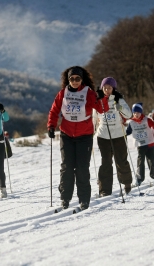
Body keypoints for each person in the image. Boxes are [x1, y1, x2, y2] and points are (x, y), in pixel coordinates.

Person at [47, 66, 109, 210]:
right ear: (68, 80)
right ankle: (65, 198)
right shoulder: (63, 93)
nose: (75, 81)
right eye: (72, 79)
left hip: (84, 136)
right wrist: (51, 126)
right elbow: (54, 110)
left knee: (81, 168)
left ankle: (84, 199)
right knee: (67, 167)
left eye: (77, 79)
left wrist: (102, 98)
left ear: (82, 79)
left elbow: (101, 109)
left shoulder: (89, 93)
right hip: (66, 134)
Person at [93, 77, 133, 197]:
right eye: (105, 87)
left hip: (118, 134)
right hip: (103, 135)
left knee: (121, 161)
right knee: (105, 162)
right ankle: (104, 190)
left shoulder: (119, 99)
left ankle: (126, 184)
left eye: (109, 87)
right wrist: (92, 130)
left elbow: (129, 114)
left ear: (113, 88)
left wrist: (119, 108)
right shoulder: (98, 100)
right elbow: (94, 117)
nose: (107, 89)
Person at [126, 103, 154, 186]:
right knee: (140, 162)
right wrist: (123, 134)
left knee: (152, 161)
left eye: (138, 112)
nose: (136, 114)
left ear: (141, 112)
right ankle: (139, 178)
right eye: (134, 113)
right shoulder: (132, 122)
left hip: (150, 144)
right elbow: (128, 132)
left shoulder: (146, 120)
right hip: (140, 145)